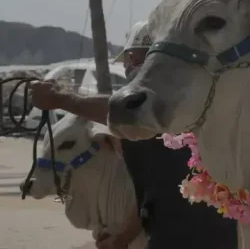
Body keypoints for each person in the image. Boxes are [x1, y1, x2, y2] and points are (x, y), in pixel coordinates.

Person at [29, 21, 238, 249]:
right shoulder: (209, 104)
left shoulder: (172, 111)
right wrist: (123, 238)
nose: (130, 67)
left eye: (133, 59)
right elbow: (153, 193)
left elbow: (125, 108)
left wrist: (61, 99)